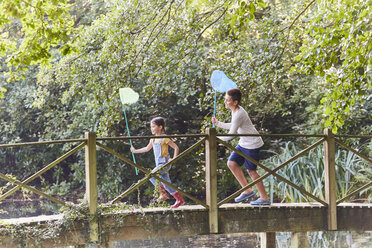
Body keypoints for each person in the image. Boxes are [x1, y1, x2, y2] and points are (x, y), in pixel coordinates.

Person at [211, 88, 270, 205]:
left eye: (228, 100)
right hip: (244, 142)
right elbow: (234, 126)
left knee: (251, 171)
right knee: (231, 163)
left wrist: (215, 138)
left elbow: (231, 135)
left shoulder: (239, 113)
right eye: (225, 100)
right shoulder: (234, 111)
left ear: (235, 102)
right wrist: (219, 124)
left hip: (252, 144)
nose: (225, 102)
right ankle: (247, 190)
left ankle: (265, 198)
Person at [130, 117, 184, 208]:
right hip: (158, 164)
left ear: (160, 127)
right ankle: (180, 200)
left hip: (164, 163)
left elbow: (176, 148)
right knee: (167, 183)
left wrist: (174, 158)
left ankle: (163, 194)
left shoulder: (164, 138)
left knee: (150, 175)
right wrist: (135, 151)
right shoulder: (153, 139)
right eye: (151, 127)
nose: (152, 129)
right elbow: (147, 149)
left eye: (153, 126)